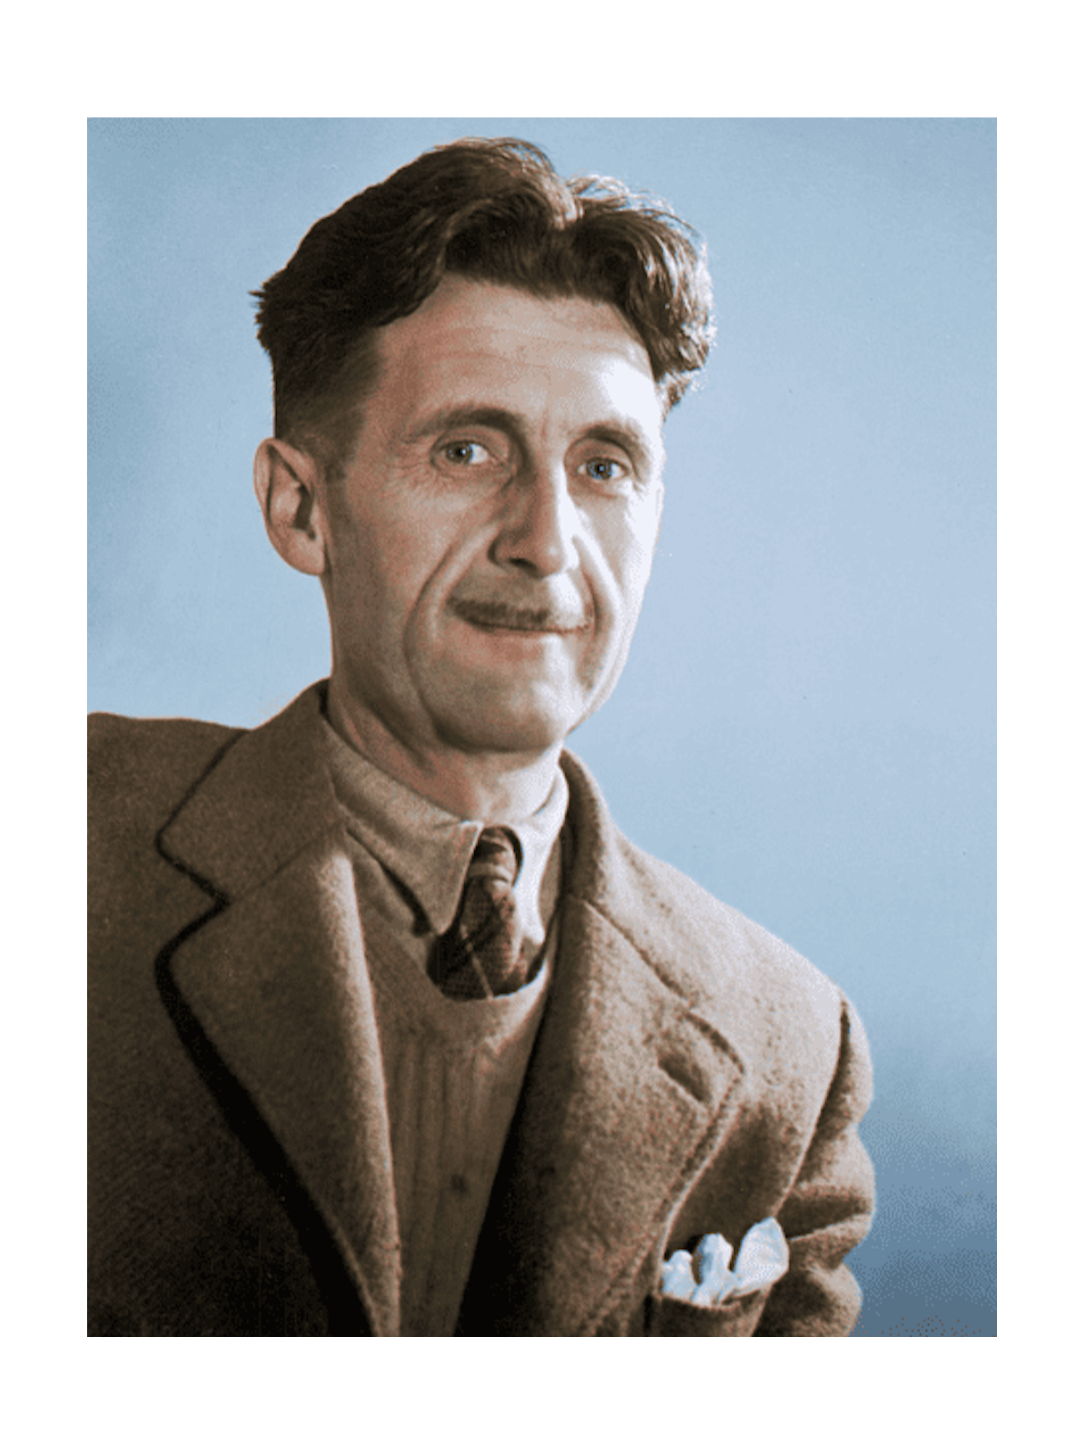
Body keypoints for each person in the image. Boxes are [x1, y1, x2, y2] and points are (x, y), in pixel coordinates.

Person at [88, 138, 874, 1341]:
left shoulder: (789, 1046)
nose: (546, 540)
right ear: (301, 506)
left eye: (604, 464)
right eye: (468, 450)